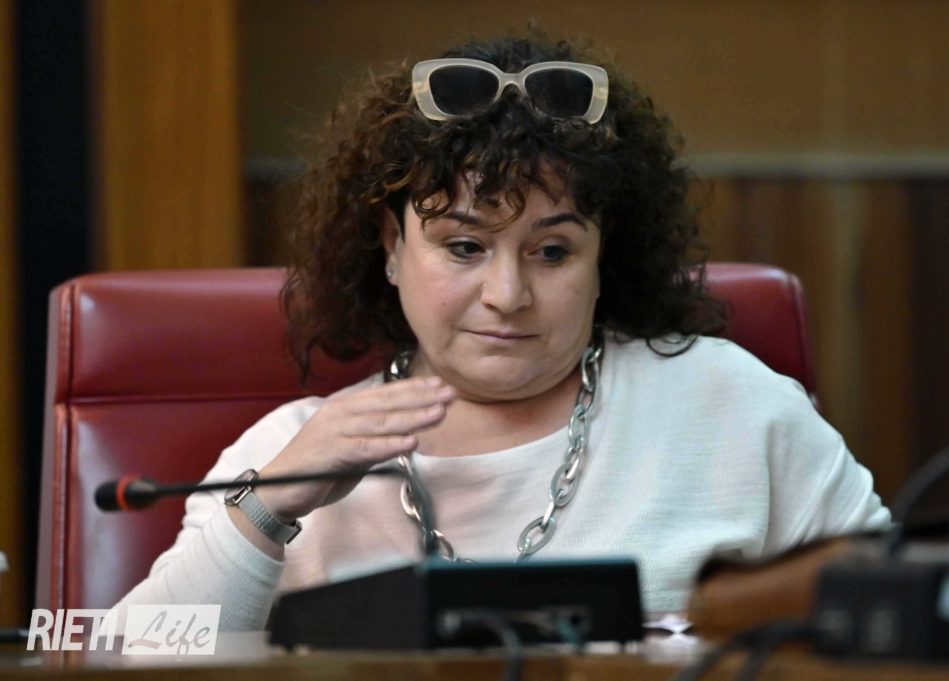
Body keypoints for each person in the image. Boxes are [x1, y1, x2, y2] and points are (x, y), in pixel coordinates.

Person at [113, 35, 890, 631]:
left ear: (602, 254)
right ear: (392, 247)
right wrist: (267, 508)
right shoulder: (286, 449)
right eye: (463, 246)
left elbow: (909, 622)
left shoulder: (734, 406)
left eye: (552, 252)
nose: (508, 295)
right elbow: (128, 661)